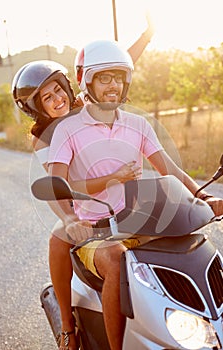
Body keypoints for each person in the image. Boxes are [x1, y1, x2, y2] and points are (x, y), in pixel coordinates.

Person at [47, 39, 223, 350]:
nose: (113, 85)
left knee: (195, 246)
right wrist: (70, 219)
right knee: (115, 259)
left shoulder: (138, 124)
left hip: (142, 225)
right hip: (96, 233)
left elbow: (171, 170)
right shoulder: (68, 129)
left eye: (118, 77)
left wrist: (204, 200)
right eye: (104, 78)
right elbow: (56, 184)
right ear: (85, 80)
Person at [12, 16, 155, 350]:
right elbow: (64, 184)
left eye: (59, 91)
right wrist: (69, 216)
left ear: (68, 87)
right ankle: (67, 326)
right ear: (37, 108)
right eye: (47, 98)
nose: (57, 99)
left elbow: (118, 64)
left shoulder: (83, 103)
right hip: (79, 204)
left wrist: (147, 36)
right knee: (58, 239)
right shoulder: (45, 140)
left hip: (116, 198)